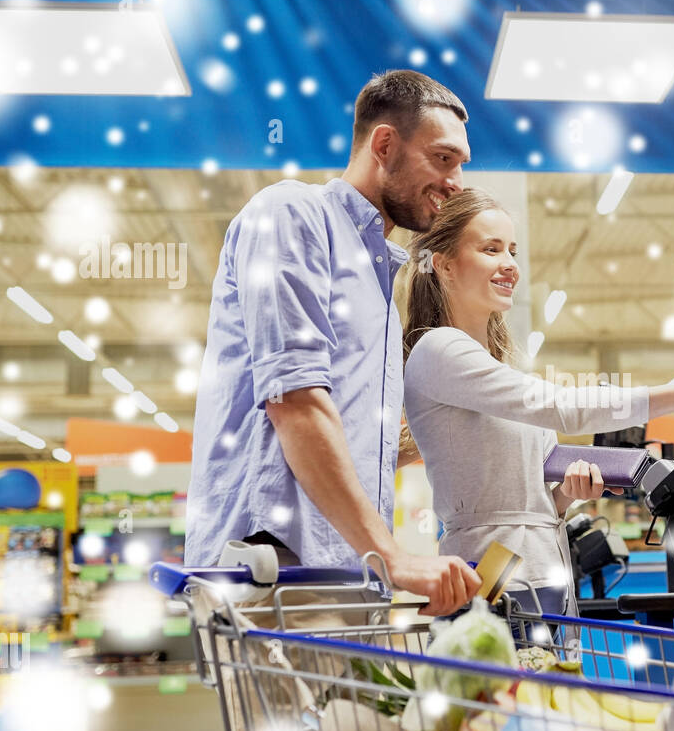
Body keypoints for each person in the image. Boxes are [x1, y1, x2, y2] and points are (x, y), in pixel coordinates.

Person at [186, 70, 481, 616]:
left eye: (461, 164)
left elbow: (356, 442)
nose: (456, 181)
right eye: (443, 159)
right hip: (270, 569)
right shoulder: (292, 214)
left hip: (342, 576)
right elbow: (295, 402)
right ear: (385, 145)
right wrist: (392, 558)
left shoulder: (380, 286)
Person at [403, 188, 674, 615]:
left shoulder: (495, 369)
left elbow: (523, 503)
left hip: (537, 572)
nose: (509, 264)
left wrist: (565, 498)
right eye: (490, 249)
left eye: (512, 250)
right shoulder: (439, 350)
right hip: (490, 578)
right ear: (444, 265)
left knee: (549, 678)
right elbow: (564, 408)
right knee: (508, 678)